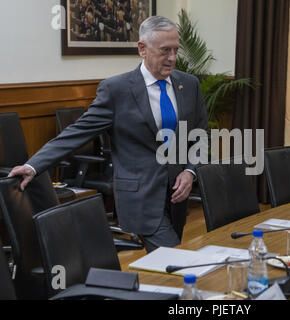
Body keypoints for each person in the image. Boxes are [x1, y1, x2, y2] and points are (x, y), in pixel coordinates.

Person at [9, 16, 208, 253]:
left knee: (163, 268)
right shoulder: (117, 90)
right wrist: (33, 166)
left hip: (176, 197)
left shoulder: (189, 84)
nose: (173, 58)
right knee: (175, 262)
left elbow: (199, 135)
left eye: (176, 50)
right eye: (165, 51)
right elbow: (77, 132)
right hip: (140, 198)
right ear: (142, 49)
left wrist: (189, 171)